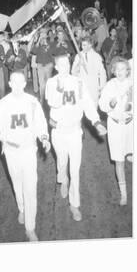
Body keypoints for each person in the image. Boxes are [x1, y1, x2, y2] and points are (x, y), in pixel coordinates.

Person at [0, 71, 50, 242]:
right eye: (14, 82)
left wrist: (44, 137)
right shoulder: (3, 104)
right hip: (11, 151)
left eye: (20, 82)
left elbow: (40, 123)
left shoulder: (32, 102)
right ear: (9, 83)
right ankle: (22, 208)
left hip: (28, 150)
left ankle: (31, 227)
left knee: (30, 187)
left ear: (24, 83)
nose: (17, 85)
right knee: (17, 183)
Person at [45, 54, 107, 221]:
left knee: (75, 170)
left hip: (74, 132)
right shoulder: (51, 83)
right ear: (56, 67)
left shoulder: (78, 82)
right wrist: (59, 88)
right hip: (58, 132)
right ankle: (62, 179)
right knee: (62, 163)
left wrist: (96, 122)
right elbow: (53, 103)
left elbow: (87, 103)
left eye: (67, 63)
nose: (65, 67)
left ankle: (75, 204)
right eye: (61, 65)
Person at [98, 57, 133, 206]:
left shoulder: (132, 84)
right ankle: (124, 194)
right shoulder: (109, 85)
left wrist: (130, 108)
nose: (119, 72)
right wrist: (110, 104)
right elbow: (102, 105)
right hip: (115, 126)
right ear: (113, 71)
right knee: (119, 161)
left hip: (131, 126)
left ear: (127, 71)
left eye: (122, 69)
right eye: (117, 69)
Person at [72, 35, 107, 107]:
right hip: (81, 86)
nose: (82, 47)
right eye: (82, 45)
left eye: (84, 45)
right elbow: (73, 73)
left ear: (90, 45)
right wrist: (79, 64)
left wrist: (102, 87)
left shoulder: (96, 56)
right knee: (81, 108)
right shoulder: (78, 56)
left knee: (94, 108)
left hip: (93, 86)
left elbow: (102, 73)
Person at [31, 30, 54, 103]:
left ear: (46, 36)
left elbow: (52, 53)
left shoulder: (50, 43)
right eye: (41, 36)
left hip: (48, 65)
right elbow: (33, 52)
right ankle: (42, 98)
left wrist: (47, 45)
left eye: (44, 35)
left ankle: (49, 97)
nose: (43, 37)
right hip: (40, 66)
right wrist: (38, 41)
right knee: (41, 84)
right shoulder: (37, 45)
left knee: (48, 83)